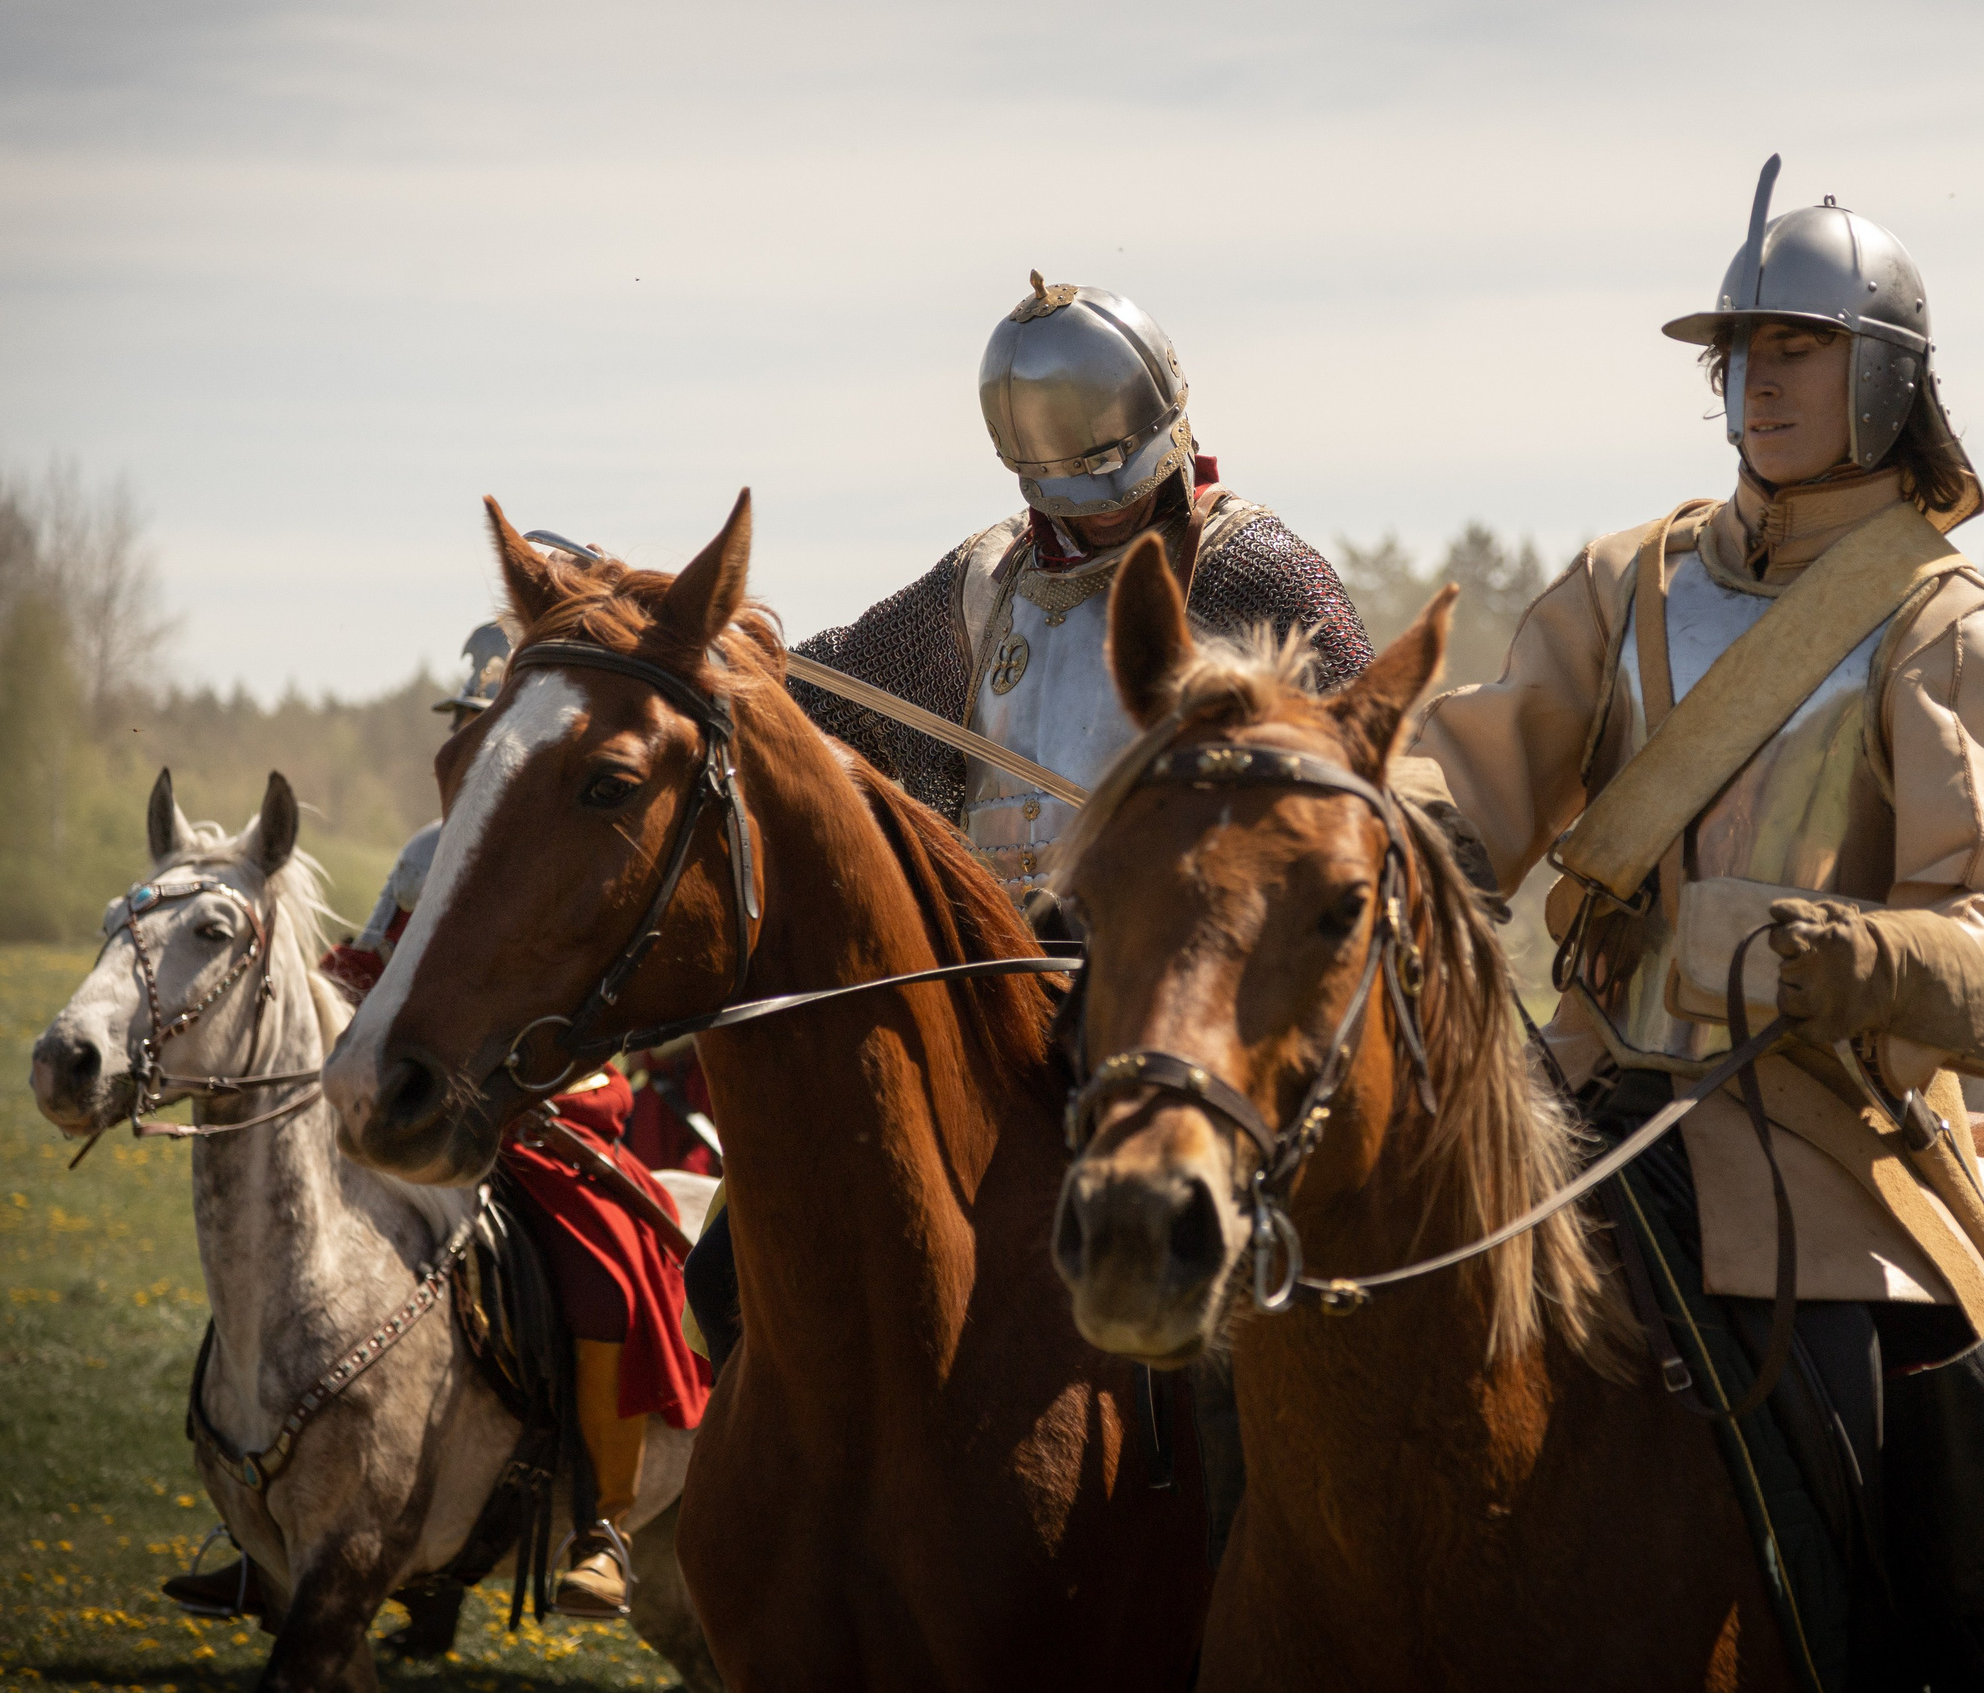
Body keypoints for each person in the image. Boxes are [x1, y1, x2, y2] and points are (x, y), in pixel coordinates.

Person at [1401, 160, 1984, 1689]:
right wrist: (1367, 829)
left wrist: (1831, 952)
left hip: (1827, 1145)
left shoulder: (1950, 622)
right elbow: (1475, 776)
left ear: (1886, 378)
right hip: (1581, 1100)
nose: (1758, 381)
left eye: (1798, 348)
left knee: (1922, 1515)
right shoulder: (1626, 583)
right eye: (1741, 351)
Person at [325, 624, 711, 1620]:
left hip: (551, 1110)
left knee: (609, 1282)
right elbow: (364, 965)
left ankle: (605, 1525)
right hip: (419, 1101)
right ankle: (270, 1500)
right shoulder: (422, 857)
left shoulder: (573, 846)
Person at [786, 272, 1373, 917]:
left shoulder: (1245, 566)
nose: (1109, 509)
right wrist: (729, 659)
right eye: (1080, 493)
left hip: (1170, 948)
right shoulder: (983, 584)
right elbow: (822, 692)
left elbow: (1364, 751)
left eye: (1124, 475)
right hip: (996, 955)